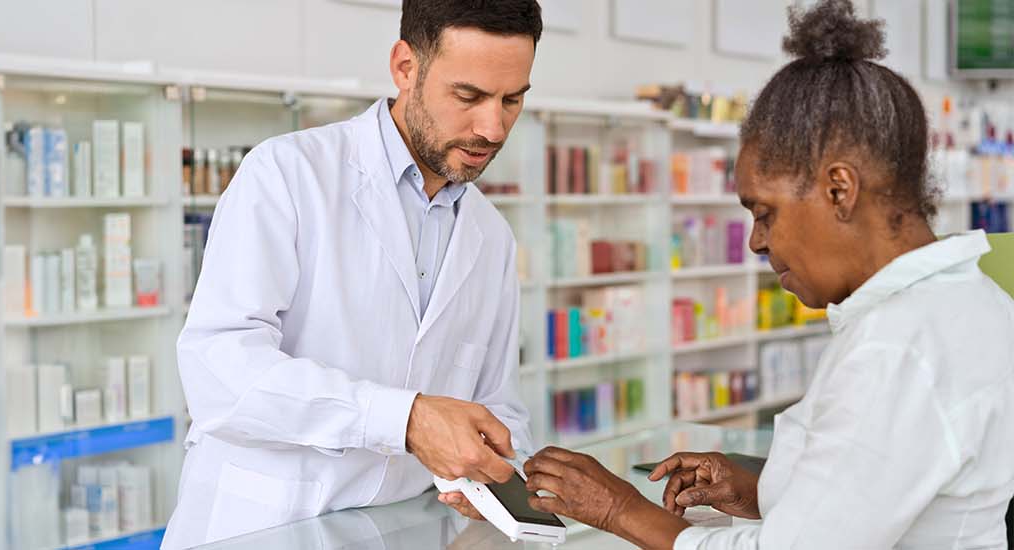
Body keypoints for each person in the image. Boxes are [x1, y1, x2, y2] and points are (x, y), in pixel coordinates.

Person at [514, 2, 1014, 548]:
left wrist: (618, 508)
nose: (757, 241)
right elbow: (886, 495)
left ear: (839, 190)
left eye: (765, 212)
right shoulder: (973, 302)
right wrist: (756, 491)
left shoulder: (898, 348)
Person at [161, 1, 543, 547]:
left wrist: (494, 470)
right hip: (263, 527)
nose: (492, 126)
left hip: (401, 530)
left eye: (513, 100)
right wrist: (404, 419)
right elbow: (219, 372)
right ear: (405, 67)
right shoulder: (288, 175)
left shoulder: (491, 235)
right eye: (469, 96)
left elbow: (499, 402)